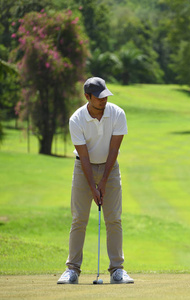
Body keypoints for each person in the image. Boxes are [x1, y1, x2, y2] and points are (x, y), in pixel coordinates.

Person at [57, 77, 134, 284]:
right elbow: (83, 157)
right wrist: (93, 186)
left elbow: (114, 150)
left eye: (105, 95)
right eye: (99, 97)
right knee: (79, 218)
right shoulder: (77, 119)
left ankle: (117, 270)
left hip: (110, 167)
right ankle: (72, 269)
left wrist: (104, 181)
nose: (104, 100)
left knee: (114, 219)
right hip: (84, 169)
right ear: (87, 97)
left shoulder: (117, 114)